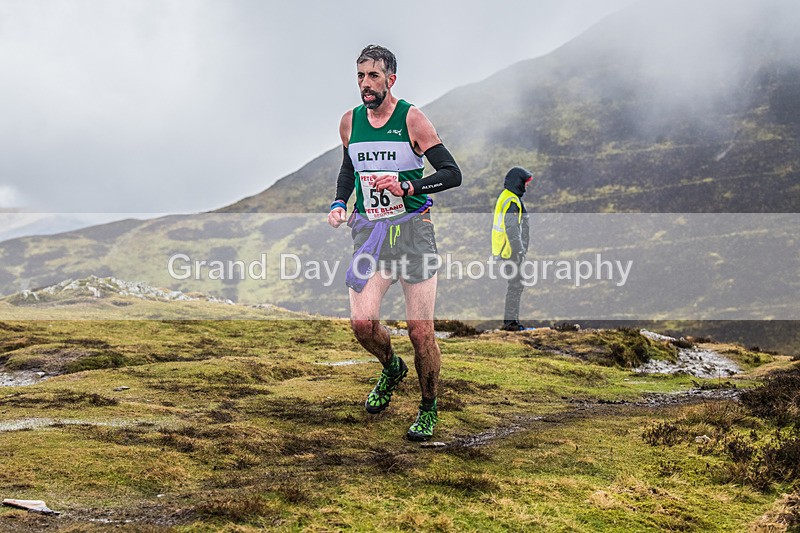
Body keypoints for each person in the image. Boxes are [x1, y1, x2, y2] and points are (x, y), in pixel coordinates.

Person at [327, 45, 461, 441]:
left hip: (413, 232)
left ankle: (428, 407)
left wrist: (409, 186)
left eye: (373, 76)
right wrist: (339, 203)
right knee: (362, 323)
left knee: (421, 333)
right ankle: (391, 367)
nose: (365, 85)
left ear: (391, 79)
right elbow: (349, 167)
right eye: (360, 77)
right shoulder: (350, 122)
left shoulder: (412, 119)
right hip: (371, 234)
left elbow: (452, 173)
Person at [492, 167, 533, 331]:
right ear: (518, 182)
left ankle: (512, 322)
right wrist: (519, 250)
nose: (526, 186)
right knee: (516, 285)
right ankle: (511, 324)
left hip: (507, 251)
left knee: (515, 285)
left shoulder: (508, 197)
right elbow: (512, 229)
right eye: (525, 183)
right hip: (511, 252)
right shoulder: (512, 201)